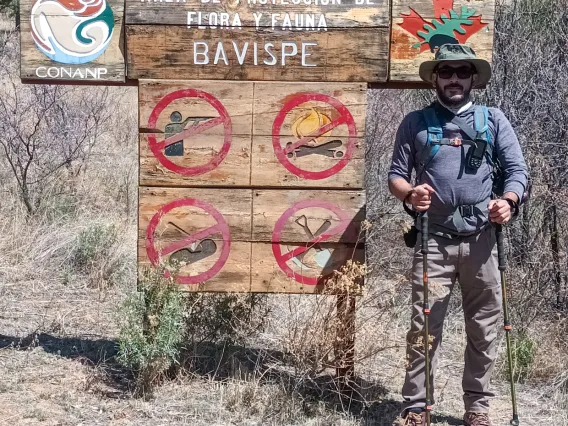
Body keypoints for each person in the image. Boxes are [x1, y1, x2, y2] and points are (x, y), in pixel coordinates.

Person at [388, 44, 529, 426]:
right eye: (446, 71)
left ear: (472, 79)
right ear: (435, 77)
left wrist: (510, 201)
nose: (454, 78)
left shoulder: (493, 119)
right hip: (433, 238)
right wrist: (409, 194)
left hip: (483, 239)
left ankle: (478, 407)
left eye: (462, 71)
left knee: (484, 327)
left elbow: (518, 171)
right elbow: (396, 175)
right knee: (423, 326)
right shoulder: (415, 122)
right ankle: (417, 407)